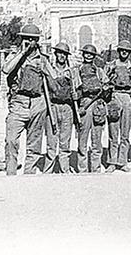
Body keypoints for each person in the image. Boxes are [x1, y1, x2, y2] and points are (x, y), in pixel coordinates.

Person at [1, 23, 52, 175]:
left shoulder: (42, 59)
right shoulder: (14, 55)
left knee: (34, 144)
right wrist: (22, 53)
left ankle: (29, 176)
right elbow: (6, 69)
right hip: (18, 103)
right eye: (27, 38)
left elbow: (53, 77)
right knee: (11, 141)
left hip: (37, 103)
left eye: (33, 39)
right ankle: (11, 174)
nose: (30, 42)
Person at [43, 42, 79, 174]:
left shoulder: (72, 71)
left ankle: (64, 170)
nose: (62, 56)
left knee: (65, 142)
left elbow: (79, 89)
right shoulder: (49, 70)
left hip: (67, 108)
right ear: (55, 54)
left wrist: (77, 95)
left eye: (64, 53)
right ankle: (47, 171)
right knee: (51, 142)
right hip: (53, 107)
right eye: (59, 53)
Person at [105, 40, 131, 173]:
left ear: (129, 53)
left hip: (128, 98)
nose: (124, 52)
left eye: (127, 51)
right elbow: (104, 82)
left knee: (125, 133)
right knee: (113, 132)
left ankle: (122, 161)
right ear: (118, 51)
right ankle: (112, 162)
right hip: (114, 97)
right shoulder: (110, 66)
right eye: (122, 50)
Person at [75, 44, 109, 173]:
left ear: (94, 56)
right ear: (83, 55)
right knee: (82, 139)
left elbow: (106, 87)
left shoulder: (99, 71)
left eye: (91, 54)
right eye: (86, 53)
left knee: (97, 139)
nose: (88, 56)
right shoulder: (77, 70)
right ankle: (82, 169)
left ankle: (96, 168)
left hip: (98, 105)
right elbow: (76, 89)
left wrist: (106, 89)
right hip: (85, 103)